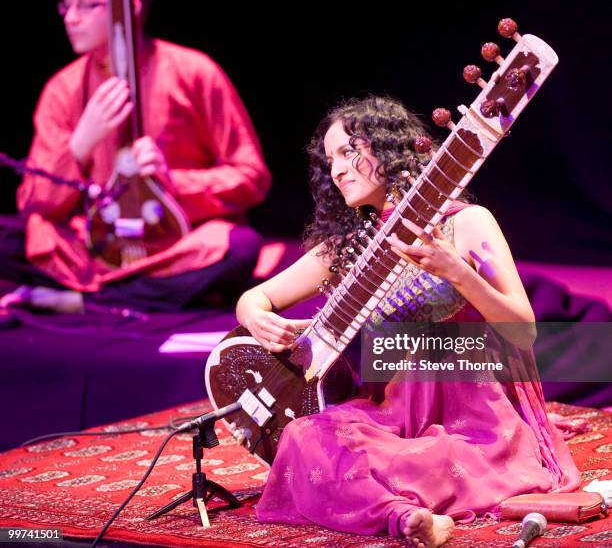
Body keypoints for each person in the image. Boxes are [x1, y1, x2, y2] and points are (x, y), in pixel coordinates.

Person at [235, 96, 580, 546]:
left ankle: (395, 509)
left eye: (349, 151)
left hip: (472, 417)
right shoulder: (349, 248)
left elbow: (524, 328)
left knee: (432, 460)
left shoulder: (466, 223)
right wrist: (256, 317)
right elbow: (255, 297)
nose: (337, 170)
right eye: (330, 160)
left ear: (389, 148)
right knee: (302, 438)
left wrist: (454, 269)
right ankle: (406, 519)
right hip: (391, 414)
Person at [1, 0, 271, 313]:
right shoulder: (62, 88)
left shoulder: (194, 71)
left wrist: (171, 182)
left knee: (240, 246)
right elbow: (35, 203)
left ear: (130, 8)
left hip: (176, 245)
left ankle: (84, 300)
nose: (70, 18)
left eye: (86, 5)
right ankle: (129, 295)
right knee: (12, 237)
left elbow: (252, 177)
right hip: (94, 247)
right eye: (67, 5)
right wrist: (79, 146)